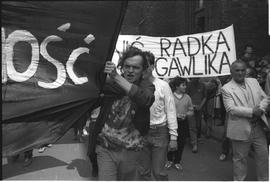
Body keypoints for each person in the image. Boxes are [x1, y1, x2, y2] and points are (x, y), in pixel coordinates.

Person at [87, 46, 155, 181]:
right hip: (105, 148)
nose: (130, 71)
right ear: (122, 66)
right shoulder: (110, 85)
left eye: (135, 67)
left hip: (131, 151)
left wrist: (117, 77)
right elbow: (90, 100)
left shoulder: (147, 86)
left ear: (143, 70)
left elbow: (145, 100)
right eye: (127, 66)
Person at [221, 60, 270, 181]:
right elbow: (231, 109)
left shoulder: (253, 81)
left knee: (263, 156)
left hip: (258, 127)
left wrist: (261, 109)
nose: (240, 73)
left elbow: (265, 98)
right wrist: (252, 111)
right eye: (237, 70)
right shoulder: (226, 89)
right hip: (240, 128)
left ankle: (264, 180)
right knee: (240, 159)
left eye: (243, 70)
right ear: (231, 72)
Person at [137, 51, 177, 180]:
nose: (143, 69)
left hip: (160, 132)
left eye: (146, 65)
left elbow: (171, 111)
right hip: (140, 133)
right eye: (140, 65)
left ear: (153, 66)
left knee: (158, 172)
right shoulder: (134, 86)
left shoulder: (163, 86)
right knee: (143, 172)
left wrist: (174, 137)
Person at [165, 76, 194, 171]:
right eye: (183, 85)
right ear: (177, 86)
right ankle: (169, 160)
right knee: (170, 141)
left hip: (183, 124)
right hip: (171, 123)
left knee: (181, 143)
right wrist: (175, 115)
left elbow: (191, 111)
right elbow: (165, 110)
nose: (185, 87)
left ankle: (177, 161)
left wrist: (185, 114)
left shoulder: (188, 97)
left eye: (185, 85)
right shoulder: (170, 97)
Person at [187, 77, 207, 153]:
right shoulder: (188, 85)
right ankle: (194, 143)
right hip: (190, 108)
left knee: (198, 125)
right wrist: (191, 105)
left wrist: (200, 106)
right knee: (192, 126)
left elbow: (205, 97)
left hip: (199, 109)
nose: (196, 79)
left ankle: (195, 137)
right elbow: (186, 96)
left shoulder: (203, 85)